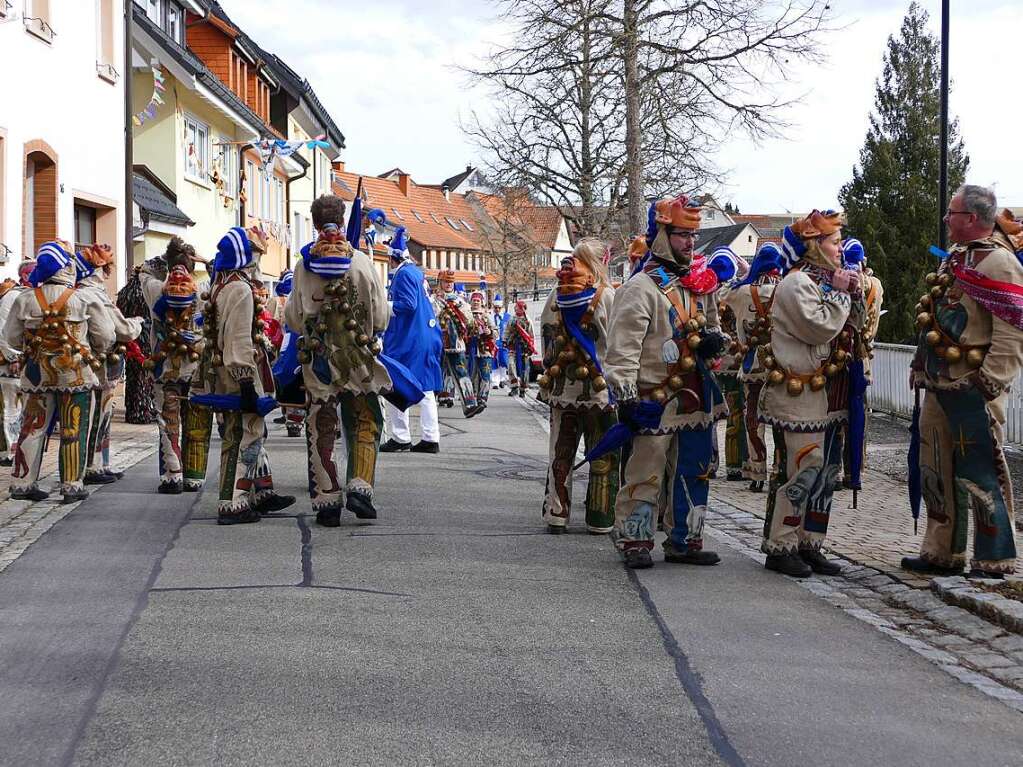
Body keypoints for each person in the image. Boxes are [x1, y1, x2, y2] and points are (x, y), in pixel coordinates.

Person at [903, 187, 1023, 579]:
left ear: (971, 218)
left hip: (973, 388)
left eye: (951, 212)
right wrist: (922, 363)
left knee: (980, 470)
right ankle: (941, 552)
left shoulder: (1000, 263)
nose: (945, 219)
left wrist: (990, 382)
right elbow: (936, 318)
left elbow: (1012, 332)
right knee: (935, 465)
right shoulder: (956, 259)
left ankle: (993, 555)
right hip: (939, 383)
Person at [605, 196, 726, 569]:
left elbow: (714, 329)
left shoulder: (700, 283)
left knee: (696, 469)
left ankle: (685, 539)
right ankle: (636, 539)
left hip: (695, 396)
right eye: (682, 235)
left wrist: (715, 341)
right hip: (653, 397)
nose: (690, 242)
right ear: (662, 235)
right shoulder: (640, 288)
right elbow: (622, 349)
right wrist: (625, 397)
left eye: (693, 235)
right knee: (646, 471)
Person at [759, 211, 864, 578]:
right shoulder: (796, 284)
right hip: (800, 392)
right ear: (814, 245)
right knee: (804, 467)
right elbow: (819, 328)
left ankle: (810, 542)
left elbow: (856, 327)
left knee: (826, 472)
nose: (840, 250)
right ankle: (781, 545)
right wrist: (840, 293)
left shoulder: (825, 280)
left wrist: (852, 293)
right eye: (834, 243)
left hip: (831, 392)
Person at [286, 196, 391, 527]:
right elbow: (380, 314)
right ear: (342, 222)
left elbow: (292, 316)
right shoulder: (360, 261)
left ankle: (327, 499)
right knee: (364, 420)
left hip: (317, 358)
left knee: (322, 424)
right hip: (358, 355)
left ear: (315, 224)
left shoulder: (304, 265)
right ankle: (359, 486)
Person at [195, 227, 294, 525]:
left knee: (247, 434)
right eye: (256, 255)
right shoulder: (239, 289)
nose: (258, 262)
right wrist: (247, 382)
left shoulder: (220, 284)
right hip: (238, 376)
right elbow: (238, 339)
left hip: (220, 373)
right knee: (243, 436)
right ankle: (232, 502)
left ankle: (262, 491)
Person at [3, 241, 115, 503]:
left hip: (35, 375)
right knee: (73, 428)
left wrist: (28, 350)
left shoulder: (25, 298)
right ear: (66, 267)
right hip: (76, 373)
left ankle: (22, 484)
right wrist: (93, 349)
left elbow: (9, 337)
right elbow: (106, 336)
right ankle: (71, 485)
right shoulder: (82, 298)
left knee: (32, 429)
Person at [537, 239, 618, 534]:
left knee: (561, 453)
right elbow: (617, 344)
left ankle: (557, 514)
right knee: (604, 454)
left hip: (562, 388)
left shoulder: (556, 296)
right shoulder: (608, 296)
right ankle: (600, 517)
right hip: (601, 390)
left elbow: (546, 339)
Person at [139, 237, 213, 493]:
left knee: (167, 421)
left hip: (165, 367)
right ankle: (194, 476)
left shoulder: (156, 290)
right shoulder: (202, 290)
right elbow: (219, 274)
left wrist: (170, 258)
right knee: (197, 421)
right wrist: (202, 260)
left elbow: (145, 270)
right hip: (196, 367)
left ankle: (173, 475)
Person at [74, 244, 143, 485]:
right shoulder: (93, 293)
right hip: (98, 364)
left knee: (87, 418)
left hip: (71, 366)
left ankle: (99, 464)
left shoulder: (74, 291)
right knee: (98, 416)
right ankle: (92, 466)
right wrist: (137, 324)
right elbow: (114, 331)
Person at [722, 243, 786, 492]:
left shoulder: (743, 292)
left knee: (753, 419)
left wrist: (744, 273)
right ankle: (779, 468)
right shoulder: (784, 290)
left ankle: (757, 471)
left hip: (752, 365)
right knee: (780, 420)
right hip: (780, 364)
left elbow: (722, 292)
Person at [380, 227, 444, 454]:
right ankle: (430, 437)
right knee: (425, 389)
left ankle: (400, 436)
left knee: (396, 383)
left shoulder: (404, 274)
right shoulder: (415, 272)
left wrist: (384, 307)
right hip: (424, 336)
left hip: (409, 339)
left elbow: (407, 305)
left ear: (392, 258)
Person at [707, 247, 749, 481]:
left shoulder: (705, 290)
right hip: (735, 361)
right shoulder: (738, 291)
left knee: (711, 414)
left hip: (714, 360)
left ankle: (709, 462)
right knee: (735, 413)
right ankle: (735, 465)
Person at [432, 269, 480, 417]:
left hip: (456, 344)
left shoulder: (460, 300)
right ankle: (430, 404)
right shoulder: (433, 300)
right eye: (446, 281)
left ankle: (470, 404)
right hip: (438, 342)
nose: (448, 284)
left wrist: (460, 309)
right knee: (435, 372)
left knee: (461, 372)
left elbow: (469, 319)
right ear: (440, 282)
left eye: (450, 282)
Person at [0, 260, 34, 466]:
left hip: (24, 362)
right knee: (9, 407)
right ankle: (8, 452)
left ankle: (16, 448)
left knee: (19, 408)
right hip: (8, 364)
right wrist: (13, 357)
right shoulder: (13, 296)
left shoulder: (27, 295)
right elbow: (4, 330)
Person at [468, 290, 496, 412]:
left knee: (485, 375)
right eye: (474, 300)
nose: (476, 302)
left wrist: (490, 332)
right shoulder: (467, 314)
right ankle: (472, 398)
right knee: (472, 375)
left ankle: (483, 398)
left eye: (478, 301)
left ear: (481, 302)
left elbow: (496, 332)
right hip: (470, 350)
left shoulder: (486, 316)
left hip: (485, 350)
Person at [503, 299, 535, 398]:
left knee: (525, 369)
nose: (517, 309)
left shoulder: (528, 320)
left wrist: (531, 347)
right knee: (511, 366)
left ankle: (523, 389)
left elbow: (531, 334)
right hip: (513, 346)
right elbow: (507, 330)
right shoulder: (512, 319)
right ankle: (514, 387)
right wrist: (505, 340)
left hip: (524, 347)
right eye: (516, 307)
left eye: (519, 307)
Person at [491, 295, 510, 389]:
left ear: (502, 308)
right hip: (493, 342)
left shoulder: (507, 317)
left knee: (503, 360)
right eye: (495, 308)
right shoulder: (490, 316)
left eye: (499, 308)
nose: (497, 309)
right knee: (494, 361)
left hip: (503, 342)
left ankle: (503, 379)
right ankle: (495, 381)